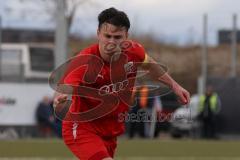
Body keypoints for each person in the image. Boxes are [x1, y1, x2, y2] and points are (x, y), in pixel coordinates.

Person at [53, 7, 190, 160]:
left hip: (110, 132)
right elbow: (64, 88)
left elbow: (150, 65)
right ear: (98, 33)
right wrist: (60, 98)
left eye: (117, 37)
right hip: (82, 128)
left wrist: (175, 86)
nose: (111, 42)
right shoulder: (84, 62)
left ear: (126, 36)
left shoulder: (133, 51)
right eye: (107, 36)